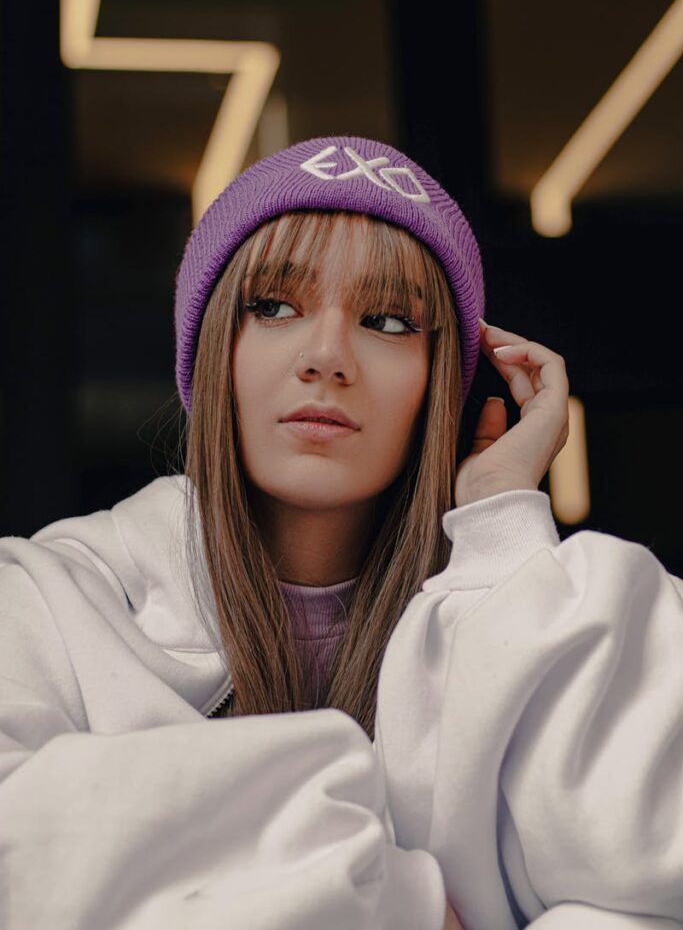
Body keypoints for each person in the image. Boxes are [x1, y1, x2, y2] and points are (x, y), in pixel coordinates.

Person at [0, 134, 681, 930]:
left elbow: (647, 889)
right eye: (273, 306)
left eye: (388, 320)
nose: (326, 356)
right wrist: (402, 905)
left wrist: (501, 532)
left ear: (440, 383)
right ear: (216, 351)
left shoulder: (551, 607)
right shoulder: (48, 602)